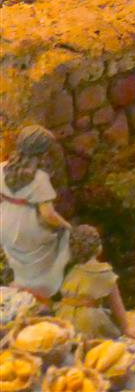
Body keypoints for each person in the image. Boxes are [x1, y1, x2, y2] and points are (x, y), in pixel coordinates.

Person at [0, 125, 72, 301]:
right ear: (42, 152)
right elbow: (48, 214)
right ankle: (40, 297)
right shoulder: (39, 178)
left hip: (5, 222)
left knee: (18, 265)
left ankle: (20, 293)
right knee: (56, 244)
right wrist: (66, 225)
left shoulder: (1, 168)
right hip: (29, 225)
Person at [56, 225, 135, 339]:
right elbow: (116, 304)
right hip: (87, 322)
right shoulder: (103, 272)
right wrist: (126, 328)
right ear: (98, 247)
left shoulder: (73, 270)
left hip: (65, 318)